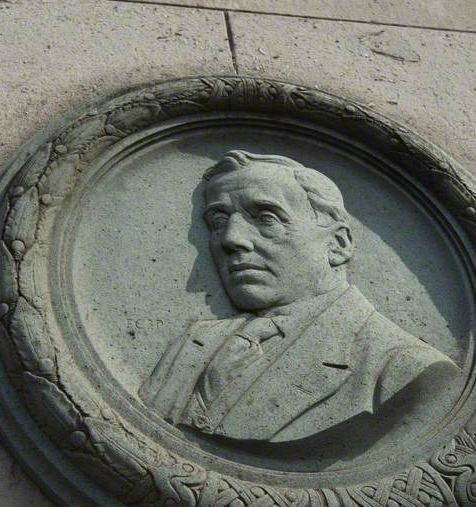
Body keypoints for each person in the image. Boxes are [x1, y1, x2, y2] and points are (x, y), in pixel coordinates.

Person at [139, 150, 459, 444]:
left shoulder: (403, 366)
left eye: (266, 218)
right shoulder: (194, 342)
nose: (231, 239)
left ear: (337, 244)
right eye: (219, 221)